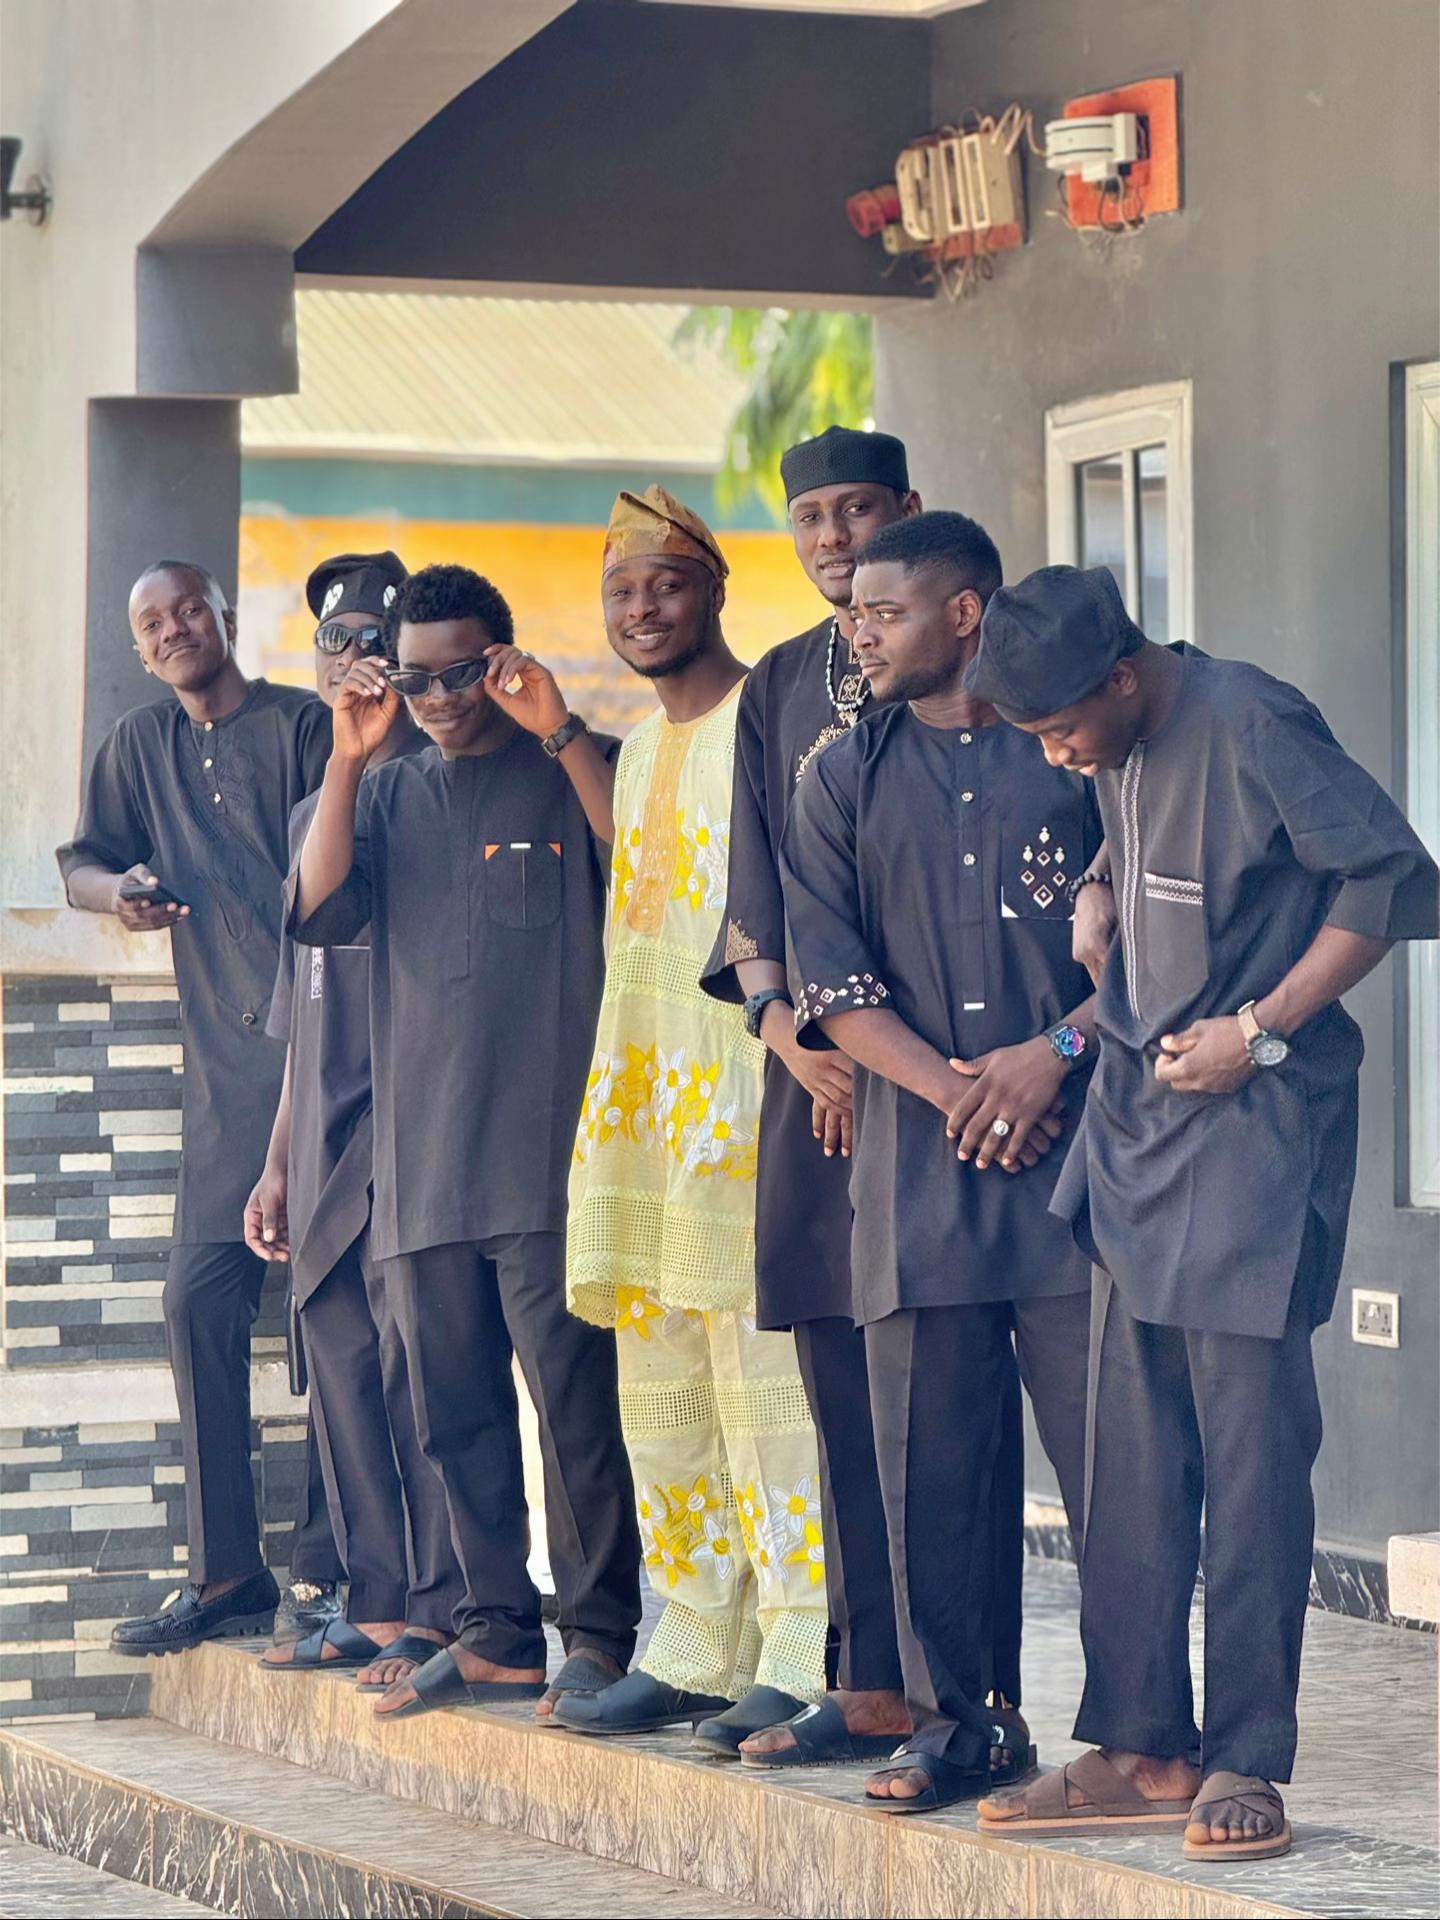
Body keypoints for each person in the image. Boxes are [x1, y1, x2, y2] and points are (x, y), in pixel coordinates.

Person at [965, 565, 1439, 1860]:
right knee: (1127, 1462)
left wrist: (1258, 1030)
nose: (1057, 756)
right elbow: (1142, 819)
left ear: (1123, 678)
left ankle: (1244, 1758)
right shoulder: (1119, 734)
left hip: (1255, 1140)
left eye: (1063, 731)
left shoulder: (1250, 719)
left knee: (1248, 1465)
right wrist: (1098, 880)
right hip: (1137, 1132)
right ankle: (1142, 1748)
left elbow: (1388, 879)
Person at [780, 513, 1098, 1814]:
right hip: (917, 1182)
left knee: (1116, 1469)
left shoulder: (1072, 753)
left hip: (1082, 1176)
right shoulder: (839, 778)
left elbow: (1146, 950)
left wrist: (1054, 1056)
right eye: (852, 613)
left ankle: (1145, 1731)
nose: (858, 634)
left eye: (883, 611)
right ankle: (962, 1727)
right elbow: (834, 985)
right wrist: (968, 1091)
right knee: (931, 1472)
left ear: (965, 613)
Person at [288, 561, 641, 1722]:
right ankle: (496, 1633)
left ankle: (598, 1635)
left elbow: (645, 869)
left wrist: (560, 731)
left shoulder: (570, 768)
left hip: (545, 1163)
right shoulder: (386, 794)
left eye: (461, 673)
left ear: (504, 660)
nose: (438, 698)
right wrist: (348, 756)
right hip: (421, 1170)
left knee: (574, 1415)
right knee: (452, 1418)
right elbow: (316, 908)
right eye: (415, 678)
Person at [557, 486, 829, 1749]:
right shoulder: (637, 750)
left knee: (766, 1385)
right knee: (661, 1382)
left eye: (666, 583)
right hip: (643, 1104)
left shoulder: (765, 716)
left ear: (716, 588)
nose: (642, 608)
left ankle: (800, 1645)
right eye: (621, 590)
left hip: (743, 1090)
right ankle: (691, 1642)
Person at [57, 561, 340, 1653]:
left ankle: (329, 1573)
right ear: (139, 649)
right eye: (152, 623)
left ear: (225, 615)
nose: (174, 629)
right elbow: (82, 862)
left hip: (331, 1064)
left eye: (188, 610)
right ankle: (228, 1572)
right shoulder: (140, 746)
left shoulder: (302, 727)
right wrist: (120, 895)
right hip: (227, 1081)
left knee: (333, 1319)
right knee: (195, 1304)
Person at [698, 425, 919, 1769]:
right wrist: (789, 1032)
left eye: (856, 510)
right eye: (812, 517)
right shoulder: (779, 683)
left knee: (938, 1376)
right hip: (810, 1074)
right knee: (837, 1368)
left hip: (935, 1069)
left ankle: (964, 1688)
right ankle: (870, 1677)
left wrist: (868, 1037)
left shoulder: (956, 667)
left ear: (906, 509)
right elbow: (754, 884)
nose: (833, 537)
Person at [246, 551, 465, 1686]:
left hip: (413, 1125)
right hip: (325, 1135)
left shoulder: (441, 787)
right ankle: (378, 1601)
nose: (356, 662)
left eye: (377, 642)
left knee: (416, 1368)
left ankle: (447, 1602)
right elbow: (303, 1005)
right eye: (337, 644)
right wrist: (279, 1160)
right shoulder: (315, 810)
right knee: (339, 1363)